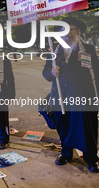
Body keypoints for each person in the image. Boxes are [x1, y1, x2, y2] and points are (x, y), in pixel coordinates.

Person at [43, 17, 99, 172]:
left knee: (87, 128)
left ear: (78, 32)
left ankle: (91, 159)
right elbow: (45, 71)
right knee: (65, 126)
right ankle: (66, 153)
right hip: (63, 97)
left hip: (84, 96)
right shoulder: (53, 50)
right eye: (64, 31)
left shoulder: (88, 49)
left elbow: (97, 73)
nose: (68, 34)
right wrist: (52, 72)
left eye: (71, 30)